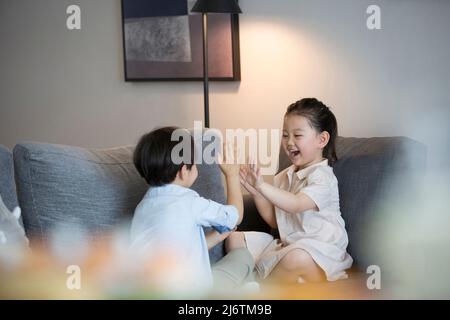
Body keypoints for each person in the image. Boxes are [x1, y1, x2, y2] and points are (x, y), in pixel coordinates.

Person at [226, 98, 353, 284]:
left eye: (297, 135)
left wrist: (262, 186)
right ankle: (256, 280)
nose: (289, 142)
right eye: (285, 135)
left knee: (296, 258)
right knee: (234, 239)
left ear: (322, 139)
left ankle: (262, 288)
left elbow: (297, 204)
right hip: (288, 245)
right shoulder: (284, 176)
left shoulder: (323, 177)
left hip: (318, 252)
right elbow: (276, 222)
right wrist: (256, 193)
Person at [129, 127, 255, 294]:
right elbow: (236, 215)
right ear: (183, 171)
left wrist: (219, 235)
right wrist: (232, 175)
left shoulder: (141, 209)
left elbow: (182, 250)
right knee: (242, 257)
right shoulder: (189, 202)